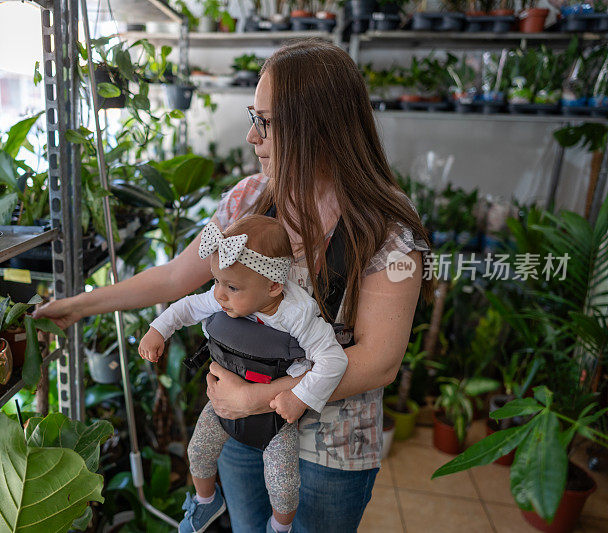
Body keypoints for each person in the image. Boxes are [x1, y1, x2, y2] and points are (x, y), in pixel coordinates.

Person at [34, 38, 432, 532]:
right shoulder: (248, 200)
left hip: (330, 452)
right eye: (254, 116)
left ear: (317, 127)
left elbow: (380, 361)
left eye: (265, 121)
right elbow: (178, 277)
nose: (251, 136)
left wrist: (259, 398)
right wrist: (78, 306)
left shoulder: (388, 230)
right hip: (238, 431)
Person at [138, 215, 349, 533]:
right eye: (217, 281)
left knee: (282, 482)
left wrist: (299, 397)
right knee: (198, 451)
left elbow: (333, 360)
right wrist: (158, 329)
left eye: (231, 286)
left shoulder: (296, 314)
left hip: (275, 415)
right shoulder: (224, 296)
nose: (219, 295)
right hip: (224, 403)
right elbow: (187, 307)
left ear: (274, 286)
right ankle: (206, 501)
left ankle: (280, 527)